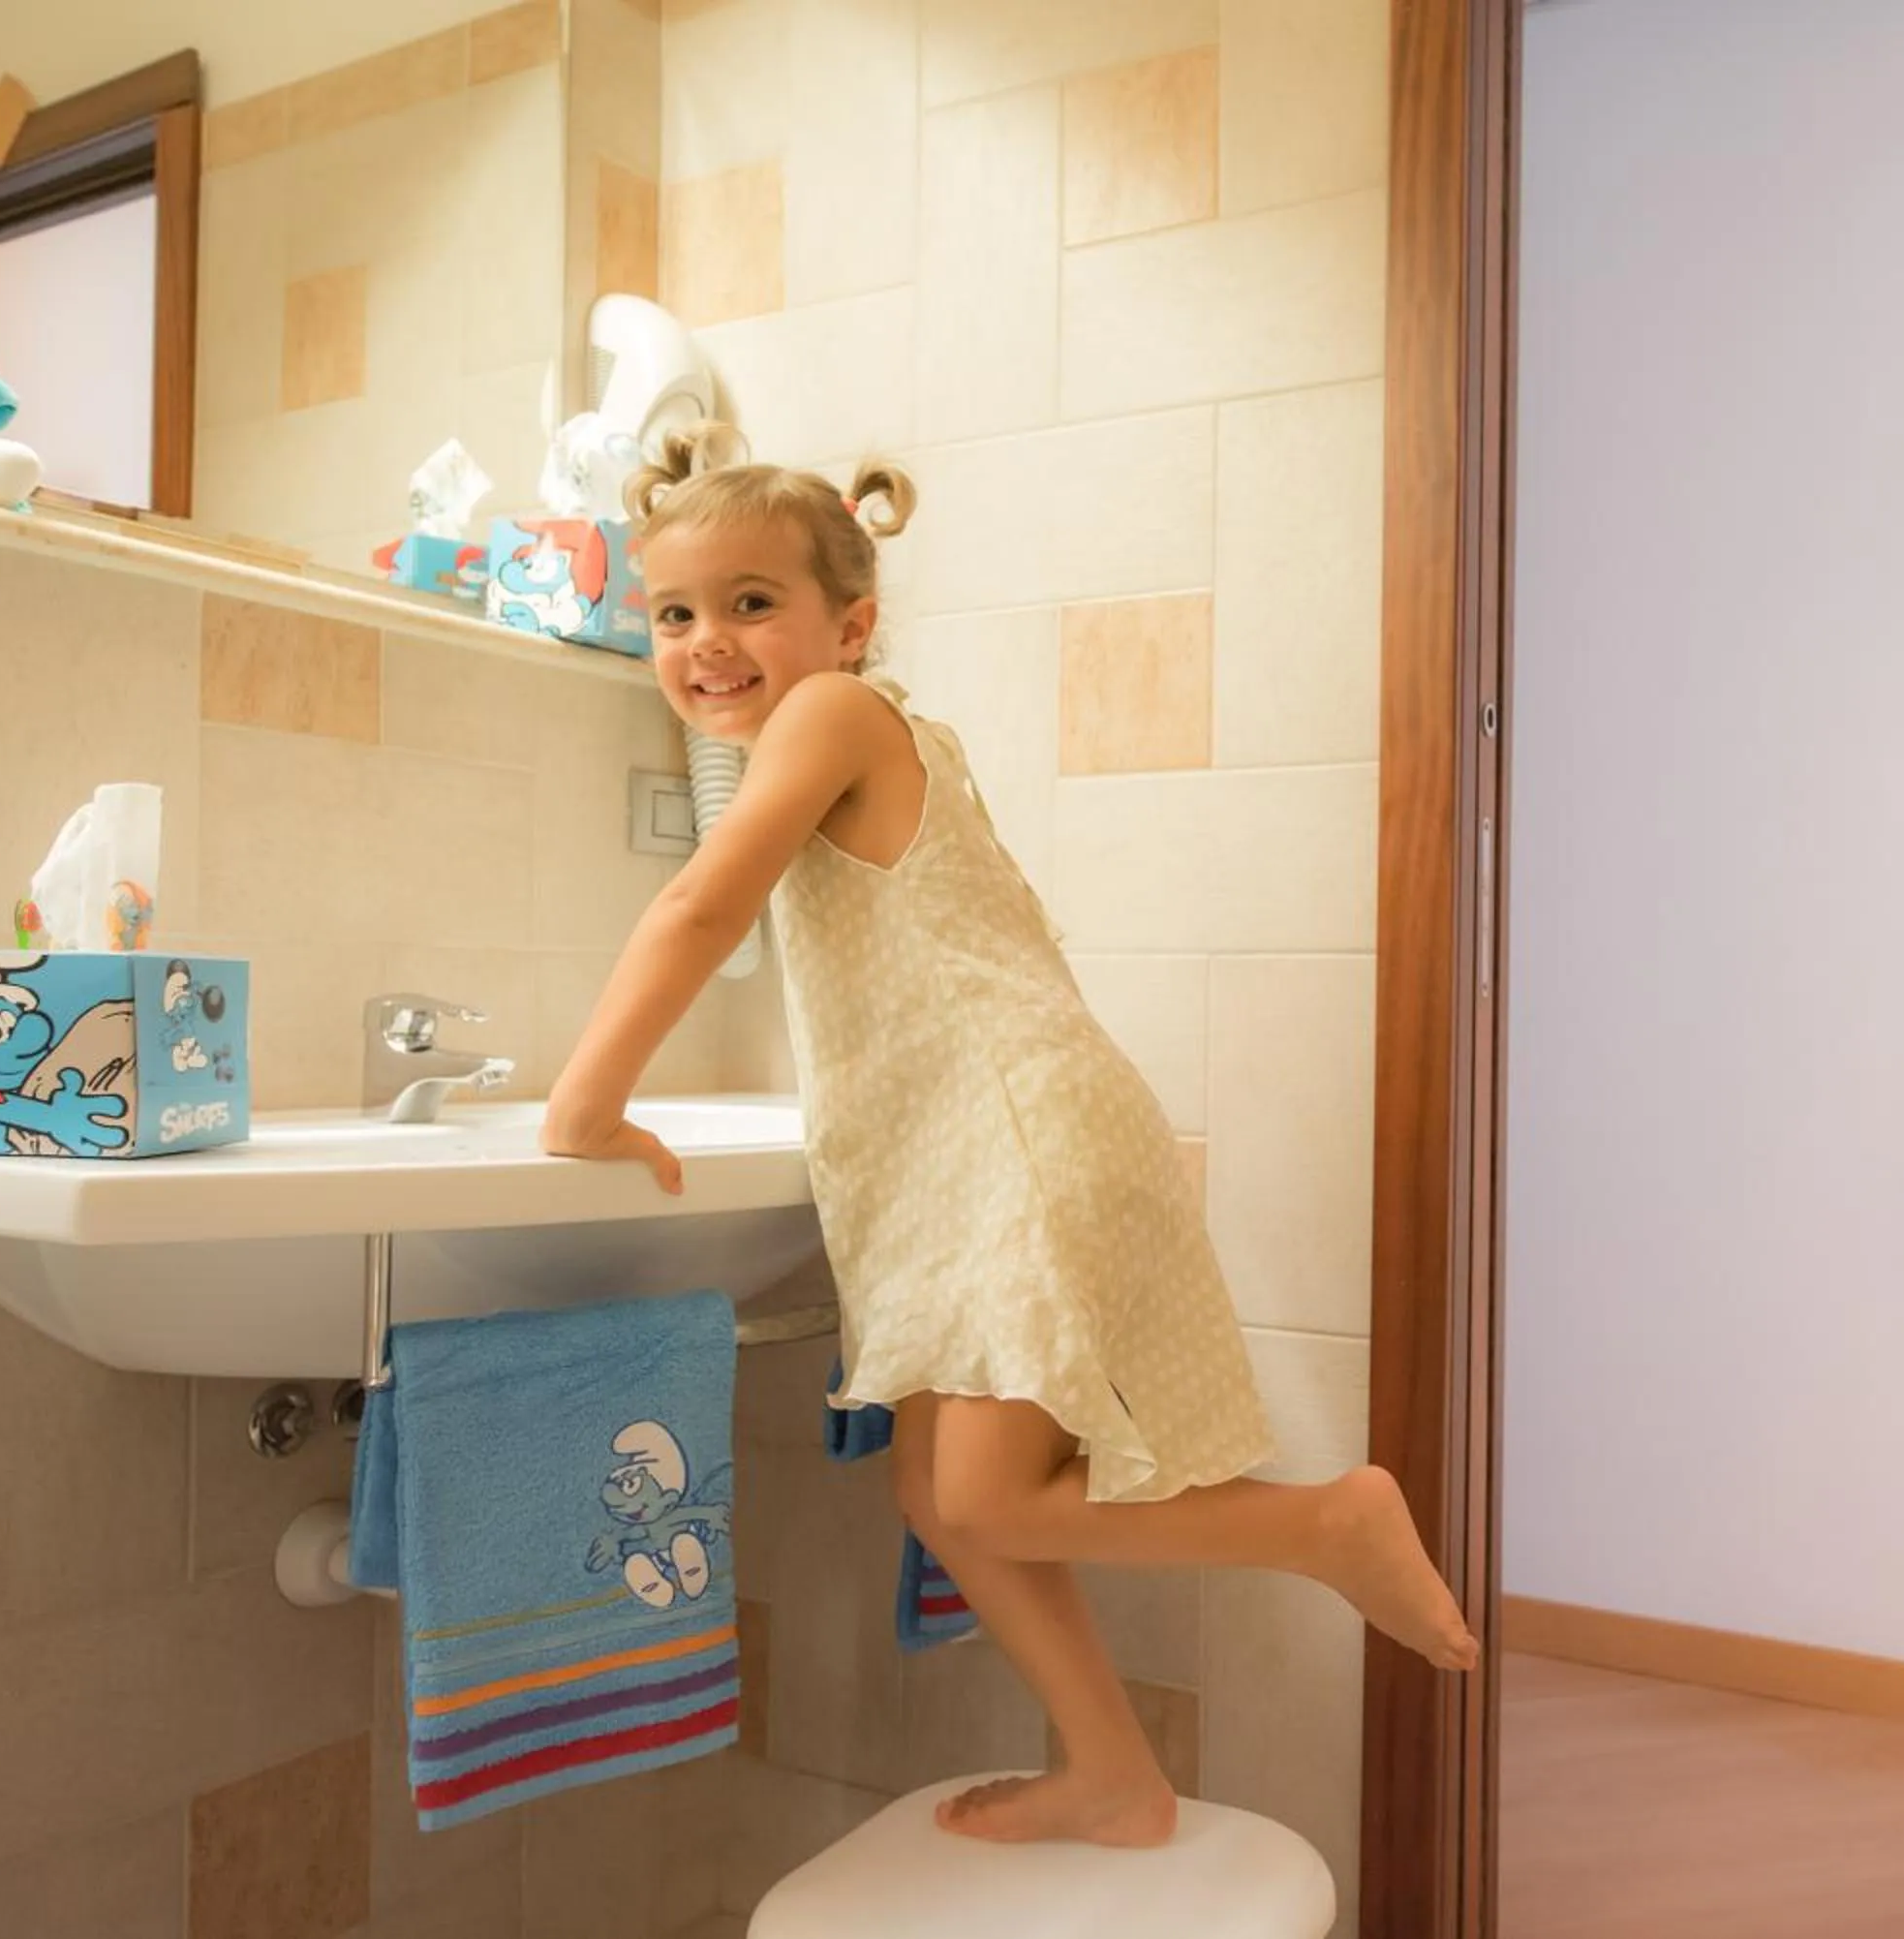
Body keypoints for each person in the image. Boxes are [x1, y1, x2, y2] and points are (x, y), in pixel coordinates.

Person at [541, 423, 1480, 1848]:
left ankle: (1322, 1523)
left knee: (981, 1486)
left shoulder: (831, 719)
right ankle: (1114, 1771)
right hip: (971, 1160)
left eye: (751, 602)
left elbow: (697, 909)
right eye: (673, 613)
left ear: (849, 627)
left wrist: (586, 1101)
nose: (706, 640)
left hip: (1013, 1143)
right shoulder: (857, 733)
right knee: (944, 1493)